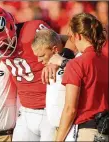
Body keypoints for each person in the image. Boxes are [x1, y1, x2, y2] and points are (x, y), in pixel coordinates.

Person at [0, 6, 74, 141]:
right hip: (25, 111)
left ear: (9, 28)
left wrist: (56, 60)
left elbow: (71, 40)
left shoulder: (33, 30)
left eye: (2, 45)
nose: (0, 51)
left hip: (50, 110)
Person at [55, 13, 108, 141]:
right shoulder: (106, 61)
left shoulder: (76, 64)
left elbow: (70, 109)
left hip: (87, 131)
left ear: (78, 35)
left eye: (71, 37)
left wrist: (58, 139)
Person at [31, 29, 75, 140]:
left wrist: (62, 58)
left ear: (55, 50)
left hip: (71, 129)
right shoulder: (49, 63)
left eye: (42, 55)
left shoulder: (74, 61)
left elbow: (72, 39)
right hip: (56, 129)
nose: (38, 60)